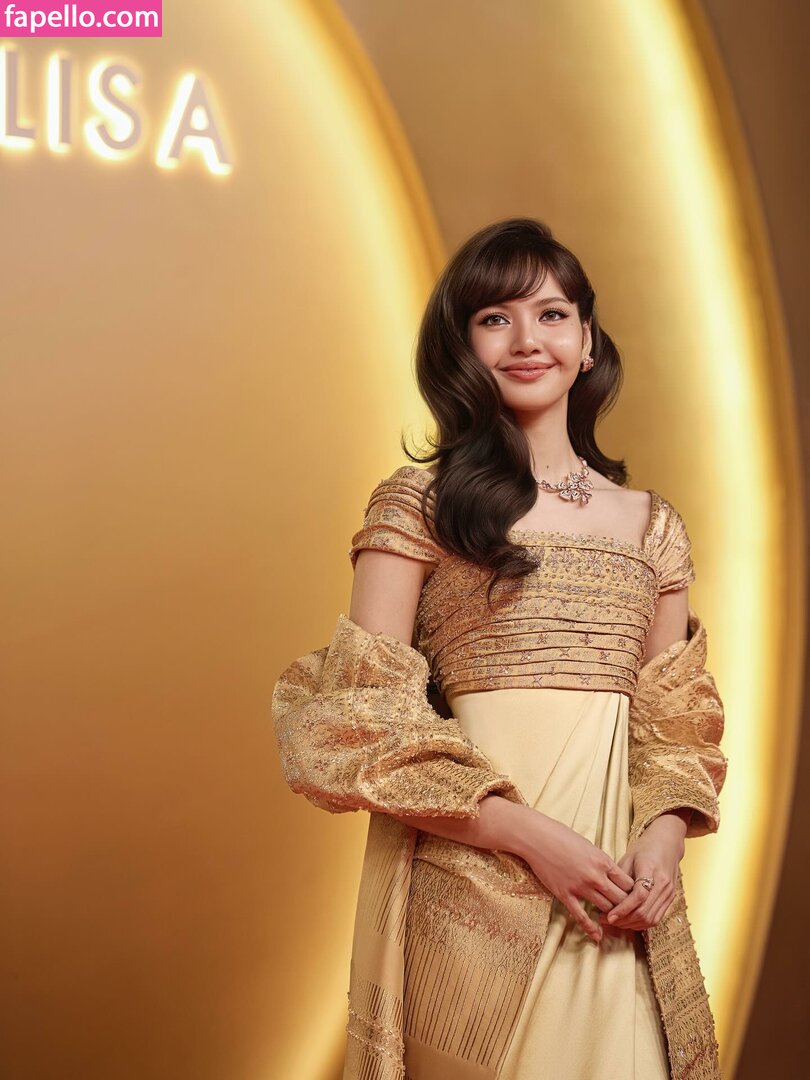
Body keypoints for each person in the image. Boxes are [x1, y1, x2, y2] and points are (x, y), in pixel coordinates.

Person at [272, 218, 728, 1080]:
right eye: (495, 318)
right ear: (462, 347)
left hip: (616, 900)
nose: (527, 339)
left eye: (552, 315)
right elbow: (357, 722)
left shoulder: (652, 528)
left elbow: (675, 728)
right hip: (468, 897)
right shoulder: (419, 505)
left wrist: (664, 840)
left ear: (587, 343)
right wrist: (532, 840)